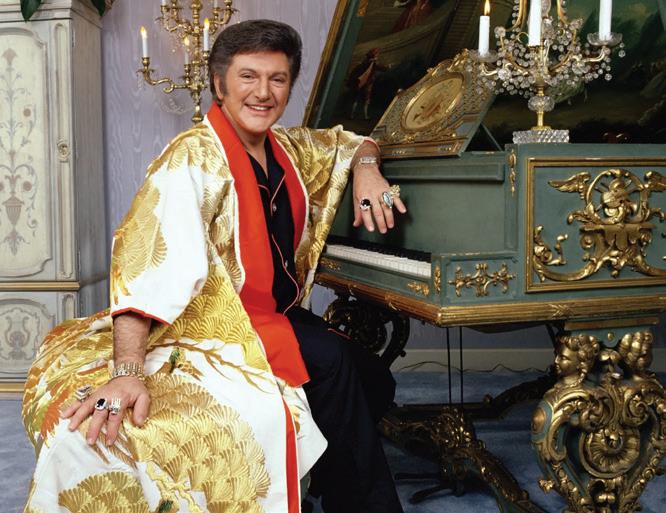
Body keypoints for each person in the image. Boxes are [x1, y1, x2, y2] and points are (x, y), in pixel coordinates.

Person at [22, 19, 406, 513]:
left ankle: (320, 477)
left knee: (375, 379)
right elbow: (145, 269)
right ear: (219, 84)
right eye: (248, 77)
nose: (263, 92)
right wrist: (127, 371)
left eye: (277, 79)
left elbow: (349, 142)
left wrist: (368, 168)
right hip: (214, 322)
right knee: (332, 364)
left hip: (274, 314)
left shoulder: (290, 149)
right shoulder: (191, 160)